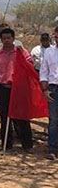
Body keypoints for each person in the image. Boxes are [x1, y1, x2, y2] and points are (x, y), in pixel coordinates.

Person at [0, 28, 34, 151]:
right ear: (1, 40)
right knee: (4, 117)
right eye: (4, 38)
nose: (7, 40)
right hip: (3, 88)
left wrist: (24, 60)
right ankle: (6, 145)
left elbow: (30, 65)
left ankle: (27, 144)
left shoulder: (21, 52)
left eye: (9, 38)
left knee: (22, 116)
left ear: (13, 38)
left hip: (18, 88)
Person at [40, 26, 58, 160]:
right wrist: (45, 90)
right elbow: (44, 72)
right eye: (56, 36)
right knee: (53, 120)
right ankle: (52, 148)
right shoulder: (49, 52)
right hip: (53, 88)